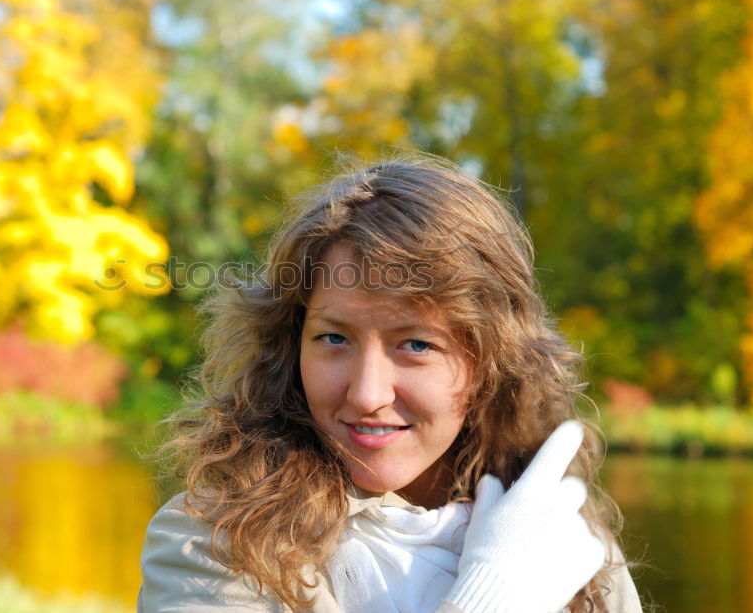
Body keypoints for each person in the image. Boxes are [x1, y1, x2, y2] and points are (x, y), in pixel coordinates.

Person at [138, 157, 643, 612]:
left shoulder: (556, 542)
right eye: (334, 338)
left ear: (491, 360)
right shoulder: (215, 543)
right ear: (292, 346)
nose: (367, 394)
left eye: (416, 345)